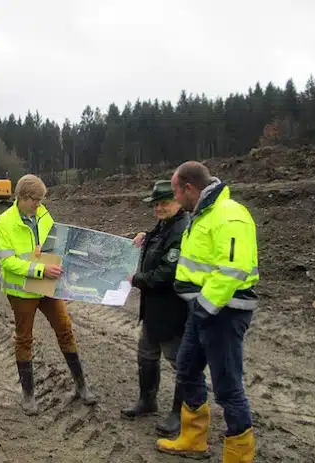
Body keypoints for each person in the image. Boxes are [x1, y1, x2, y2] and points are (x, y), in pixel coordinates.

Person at [156, 161, 259, 462]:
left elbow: (232, 270)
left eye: (175, 193)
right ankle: (193, 438)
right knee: (187, 369)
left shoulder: (229, 215)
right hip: (200, 310)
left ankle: (239, 455)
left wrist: (203, 307)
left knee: (227, 387)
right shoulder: (202, 215)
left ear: (189, 188)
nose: (175, 200)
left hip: (223, 312)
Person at [0, 173, 97, 415]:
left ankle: (82, 387)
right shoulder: (4, 223)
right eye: (35, 200)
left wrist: (59, 269)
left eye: (41, 200)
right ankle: (28, 396)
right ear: (22, 197)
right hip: (21, 291)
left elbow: (53, 243)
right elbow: (8, 262)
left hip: (48, 285)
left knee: (65, 328)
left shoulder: (42, 213)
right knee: (24, 338)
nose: (39, 205)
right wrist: (40, 268)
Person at [120, 180, 190, 437]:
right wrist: (145, 235)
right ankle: (147, 401)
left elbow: (168, 273)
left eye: (164, 203)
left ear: (177, 202)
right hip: (152, 308)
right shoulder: (164, 226)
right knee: (147, 354)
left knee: (180, 362)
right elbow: (156, 246)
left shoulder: (181, 230)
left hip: (172, 310)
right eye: (156, 204)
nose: (159, 208)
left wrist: (137, 279)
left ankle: (180, 413)